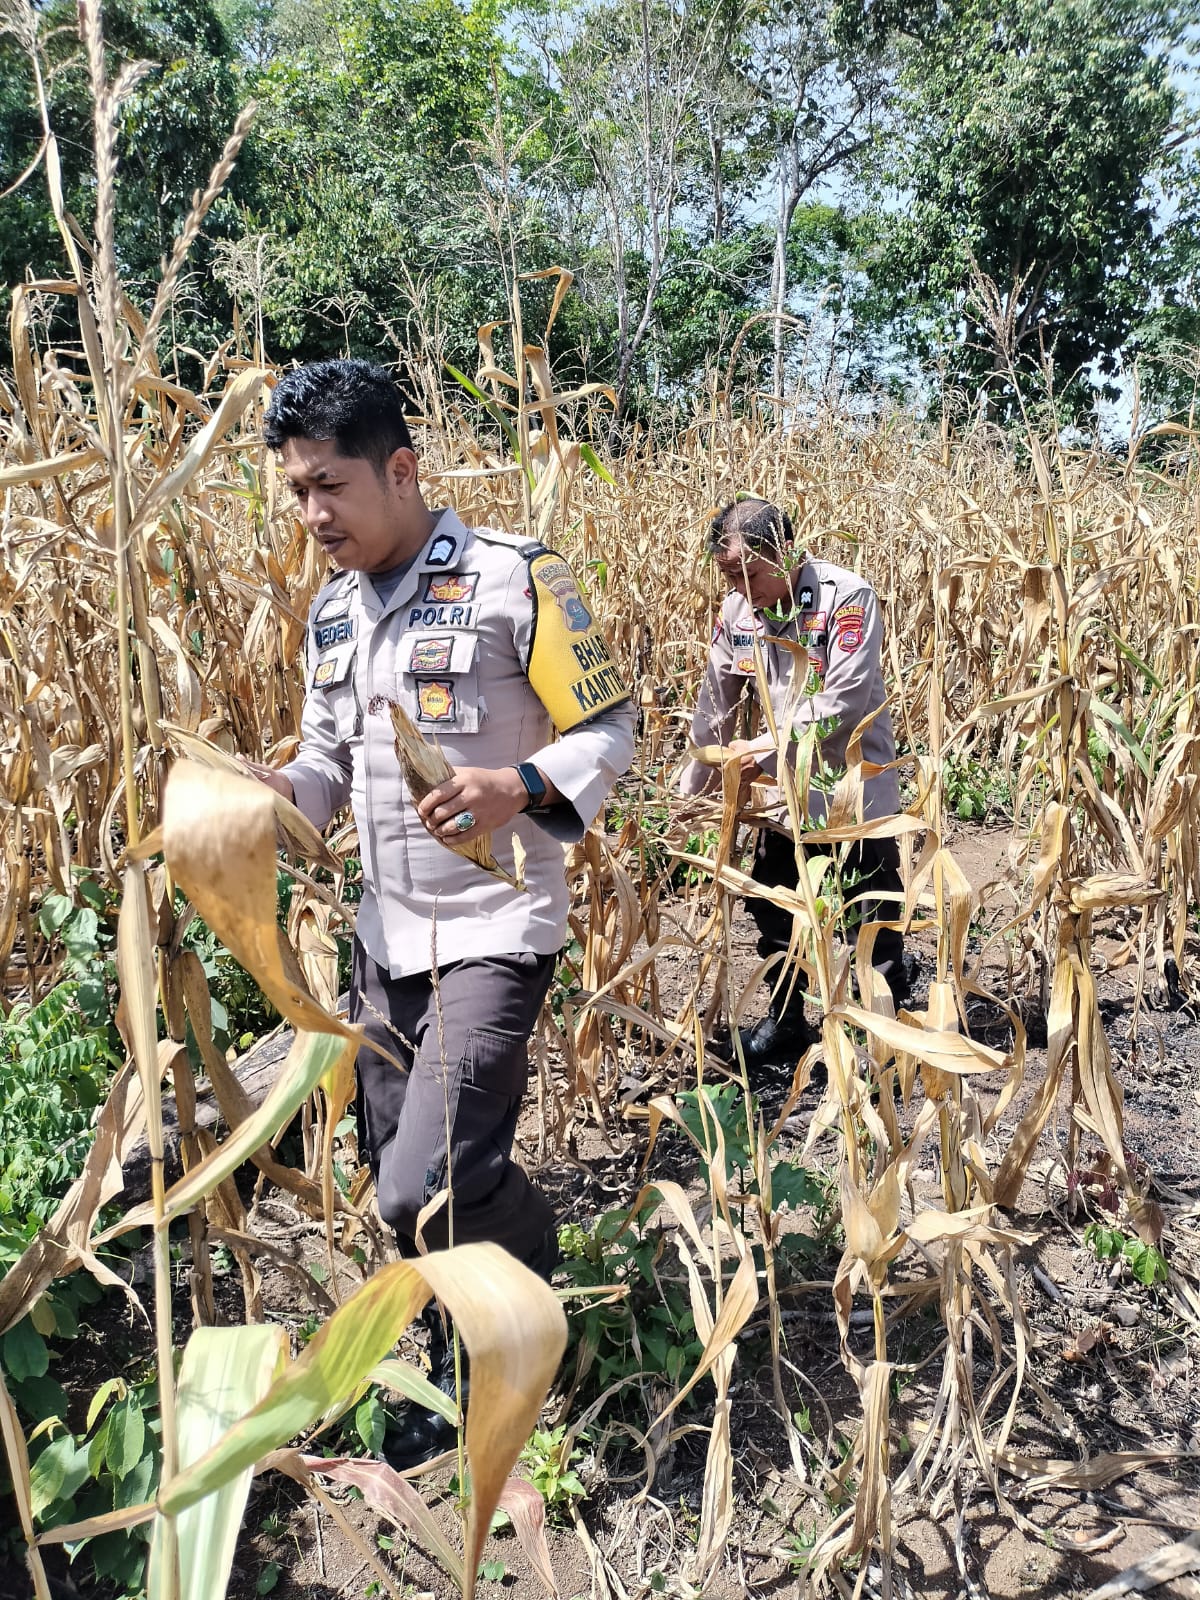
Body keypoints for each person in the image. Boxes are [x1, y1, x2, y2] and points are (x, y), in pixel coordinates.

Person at [248, 359, 635, 1464]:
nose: (313, 513)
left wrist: (516, 785)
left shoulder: (518, 578)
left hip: (493, 930)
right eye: (297, 492)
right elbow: (324, 771)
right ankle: (439, 1350)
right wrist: (270, 795)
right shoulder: (330, 615)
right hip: (384, 940)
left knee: (428, 1181)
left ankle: (529, 1257)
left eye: (329, 485)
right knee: (392, 1182)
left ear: (401, 468)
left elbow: (614, 727)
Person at [679, 497, 911, 1071]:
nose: (740, 587)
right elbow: (715, 706)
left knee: (870, 909)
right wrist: (694, 788)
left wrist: (761, 750)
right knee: (775, 902)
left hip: (850, 786)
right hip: (785, 796)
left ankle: (883, 1032)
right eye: (728, 575)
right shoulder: (738, 615)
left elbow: (845, 700)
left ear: (781, 554)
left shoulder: (845, 597)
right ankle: (786, 1022)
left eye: (748, 573)